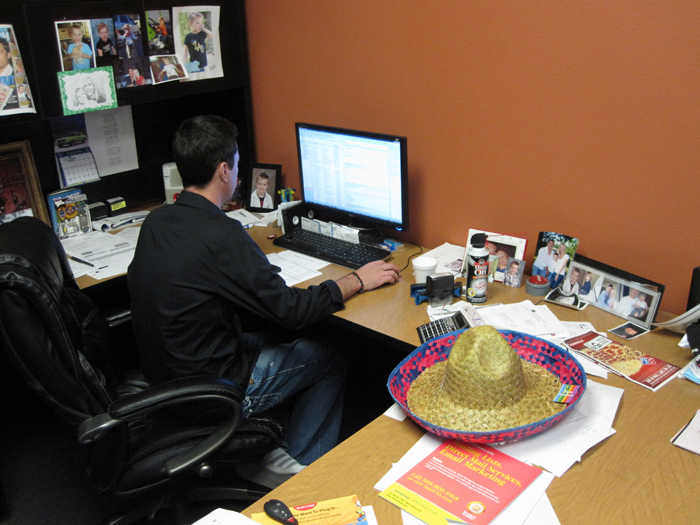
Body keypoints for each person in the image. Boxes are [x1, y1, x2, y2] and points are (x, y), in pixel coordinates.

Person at [127, 115, 400, 488]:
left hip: (169, 373)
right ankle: (300, 472)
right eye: (237, 164)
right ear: (224, 170)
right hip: (211, 391)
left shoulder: (158, 220)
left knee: (274, 338)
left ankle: (273, 450)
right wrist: (355, 279)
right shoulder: (220, 234)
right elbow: (292, 311)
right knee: (333, 354)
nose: (238, 172)